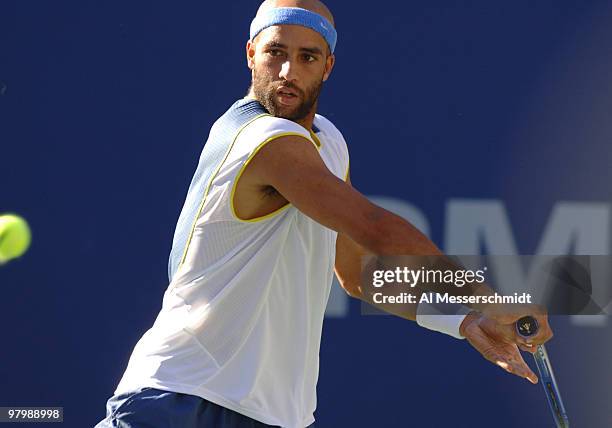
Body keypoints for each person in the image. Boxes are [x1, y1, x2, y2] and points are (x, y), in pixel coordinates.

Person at [95, 0, 553, 427]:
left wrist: (462, 320)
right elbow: (374, 229)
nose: (289, 72)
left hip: (276, 416)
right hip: (181, 399)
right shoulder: (262, 139)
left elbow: (357, 275)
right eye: (276, 52)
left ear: (328, 66)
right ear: (251, 53)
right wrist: (488, 297)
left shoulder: (328, 142)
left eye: (308, 57)